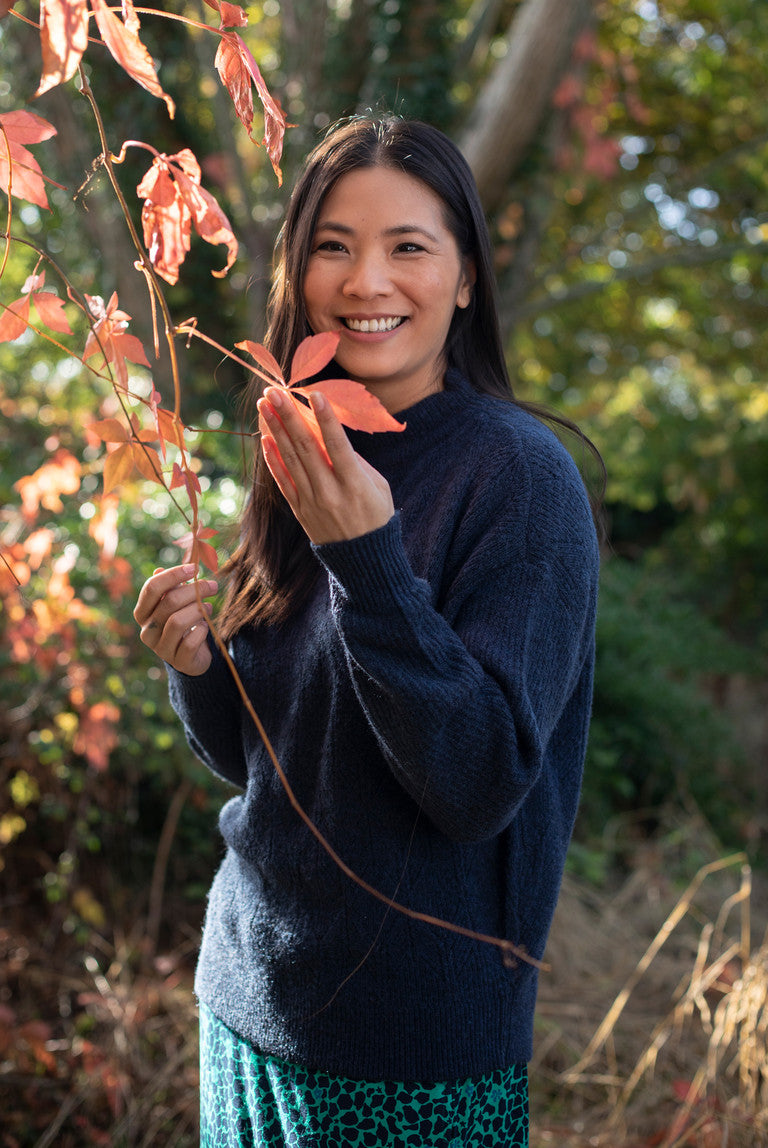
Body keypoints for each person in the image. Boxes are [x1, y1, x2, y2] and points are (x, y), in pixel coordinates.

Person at [134, 115, 601, 1147]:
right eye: (334, 246)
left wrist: (369, 563)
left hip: (412, 1051)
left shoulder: (520, 481)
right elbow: (264, 760)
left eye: (408, 247)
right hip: (247, 995)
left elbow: (477, 779)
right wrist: (198, 666)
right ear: (297, 272)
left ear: (468, 278)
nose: (366, 281)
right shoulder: (299, 444)